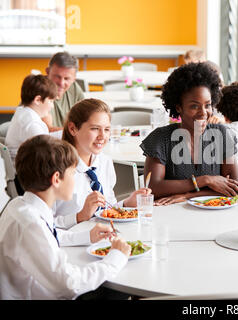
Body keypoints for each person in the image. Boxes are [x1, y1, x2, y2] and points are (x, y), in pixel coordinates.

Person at [0, 135, 131, 299]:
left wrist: (86, 236)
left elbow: (49, 235)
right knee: (116, 291)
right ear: (56, 179)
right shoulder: (30, 224)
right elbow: (69, 284)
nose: (75, 179)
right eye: (73, 173)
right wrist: (115, 258)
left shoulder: (20, 205)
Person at [140, 62, 238, 206]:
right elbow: (152, 188)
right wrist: (205, 180)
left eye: (207, 105)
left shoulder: (223, 136)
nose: (203, 112)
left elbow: (235, 189)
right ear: (178, 107)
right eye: (194, 106)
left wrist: (187, 195)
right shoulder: (161, 139)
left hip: (216, 219)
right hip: (170, 219)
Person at [54, 98, 151, 229]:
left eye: (106, 129)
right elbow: (42, 224)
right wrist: (79, 216)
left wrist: (126, 204)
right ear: (73, 129)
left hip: (100, 237)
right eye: (95, 129)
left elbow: (105, 209)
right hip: (68, 242)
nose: (102, 136)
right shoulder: (55, 167)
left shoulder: (104, 161)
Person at [6, 74, 61, 166]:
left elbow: (43, 139)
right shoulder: (32, 124)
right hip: (28, 172)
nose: (52, 106)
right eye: (51, 101)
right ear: (38, 100)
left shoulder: (22, 111)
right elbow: (47, 151)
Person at [42, 51, 85, 131]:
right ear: (47, 72)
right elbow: (47, 131)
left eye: (67, 78)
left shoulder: (74, 88)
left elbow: (85, 120)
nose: (61, 83)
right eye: (57, 77)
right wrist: (78, 133)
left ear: (74, 78)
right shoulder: (39, 90)